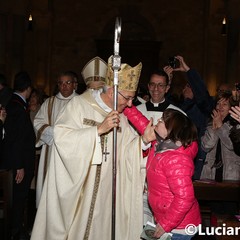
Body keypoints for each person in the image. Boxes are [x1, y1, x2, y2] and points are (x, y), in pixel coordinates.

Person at [30, 57, 145, 240]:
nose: (130, 104)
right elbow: (61, 138)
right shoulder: (79, 106)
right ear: (112, 91)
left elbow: (127, 151)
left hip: (108, 193)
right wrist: (97, 131)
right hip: (82, 191)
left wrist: (143, 141)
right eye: (128, 97)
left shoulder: (121, 115)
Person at [124, 106, 201, 239]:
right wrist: (125, 105)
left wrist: (166, 224)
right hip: (168, 220)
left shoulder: (177, 159)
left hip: (180, 227)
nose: (157, 120)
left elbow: (184, 197)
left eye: (162, 120)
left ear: (171, 130)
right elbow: (141, 122)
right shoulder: (160, 144)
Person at [136, 68, 184, 225]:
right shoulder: (137, 111)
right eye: (152, 84)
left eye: (161, 85)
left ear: (167, 88)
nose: (156, 89)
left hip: (165, 183)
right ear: (148, 86)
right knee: (141, 224)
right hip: (139, 178)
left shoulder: (177, 115)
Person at [33, 71, 78, 207]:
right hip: (52, 151)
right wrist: (55, 133)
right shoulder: (49, 103)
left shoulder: (81, 102)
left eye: (68, 83)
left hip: (74, 154)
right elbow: (38, 122)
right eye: (61, 83)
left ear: (75, 85)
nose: (64, 86)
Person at [2, 71, 36, 240]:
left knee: (19, 198)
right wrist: (20, 167)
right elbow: (15, 141)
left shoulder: (14, 104)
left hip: (18, 162)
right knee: (18, 199)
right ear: (28, 89)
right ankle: (16, 232)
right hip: (19, 165)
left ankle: (17, 229)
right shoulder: (18, 108)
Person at [174, 56, 214, 179]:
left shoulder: (202, 107)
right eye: (185, 86)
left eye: (190, 86)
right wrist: (167, 79)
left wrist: (188, 71)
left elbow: (202, 94)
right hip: (176, 154)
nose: (186, 88)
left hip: (195, 156)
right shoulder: (176, 106)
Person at [200, 93, 240, 182]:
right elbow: (206, 146)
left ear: (231, 108)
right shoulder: (210, 123)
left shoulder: (236, 125)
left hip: (231, 173)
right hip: (210, 174)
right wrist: (214, 129)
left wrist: (220, 126)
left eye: (225, 104)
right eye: (218, 103)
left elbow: (232, 145)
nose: (220, 107)